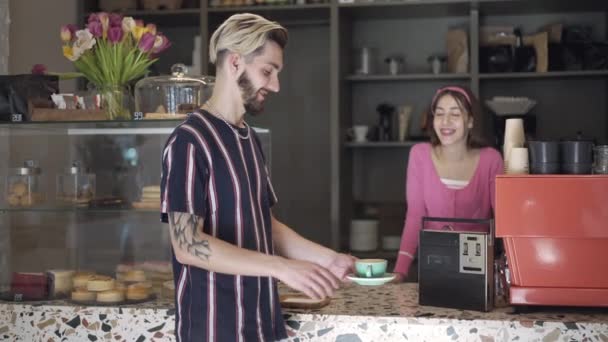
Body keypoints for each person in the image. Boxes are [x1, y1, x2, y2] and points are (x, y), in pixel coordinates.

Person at [160, 13, 355, 342]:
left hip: (260, 323)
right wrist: (282, 267)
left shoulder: (248, 138)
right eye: (268, 71)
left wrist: (330, 258)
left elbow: (265, 223)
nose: (275, 85)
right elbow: (187, 245)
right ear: (235, 63)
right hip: (213, 330)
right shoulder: (189, 141)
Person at [394, 86, 504, 281]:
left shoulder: (491, 160)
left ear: (470, 121)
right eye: (439, 114)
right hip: (433, 268)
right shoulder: (419, 155)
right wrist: (400, 272)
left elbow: (505, 220)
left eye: (455, 114)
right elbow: (414, 217)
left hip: (478, 272)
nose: (445, 122)